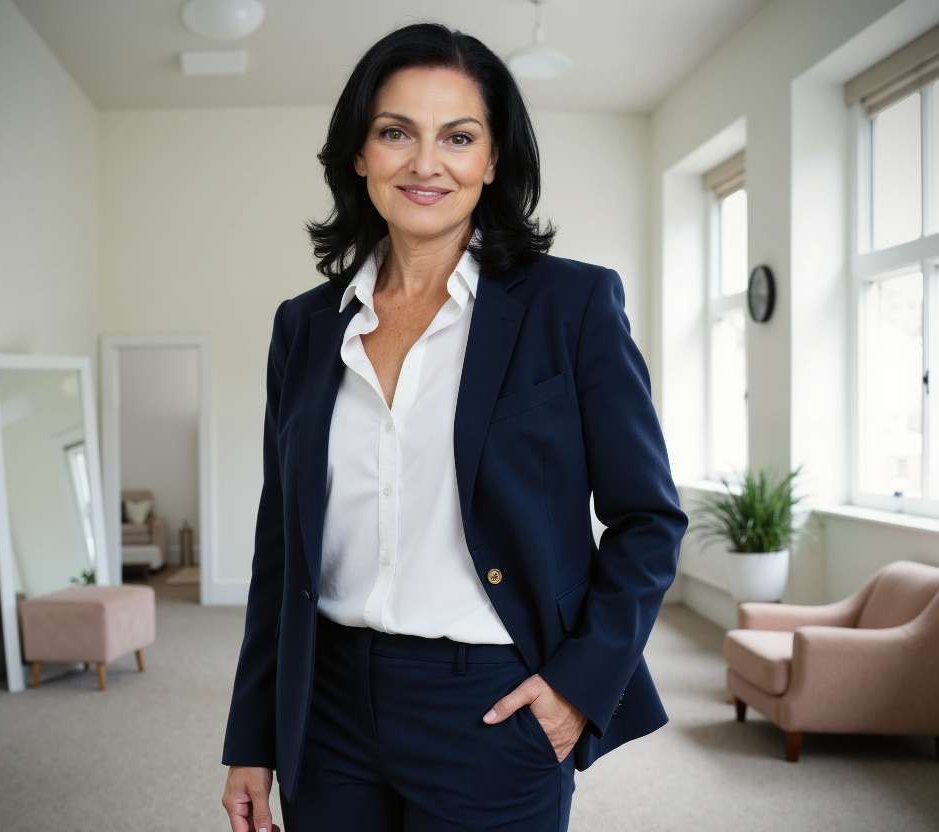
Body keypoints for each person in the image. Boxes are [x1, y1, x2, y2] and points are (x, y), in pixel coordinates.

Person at [221, 21, 688, 832]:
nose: (425, 163)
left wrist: (579, 686)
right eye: (395, 132)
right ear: (359, 153)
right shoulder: (302, 328)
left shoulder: (569, 306)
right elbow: (281, 546)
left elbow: (649, 520)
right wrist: (253, 735)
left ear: (493, 160)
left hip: (491, 704)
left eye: (459, 137)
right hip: (326, 705)